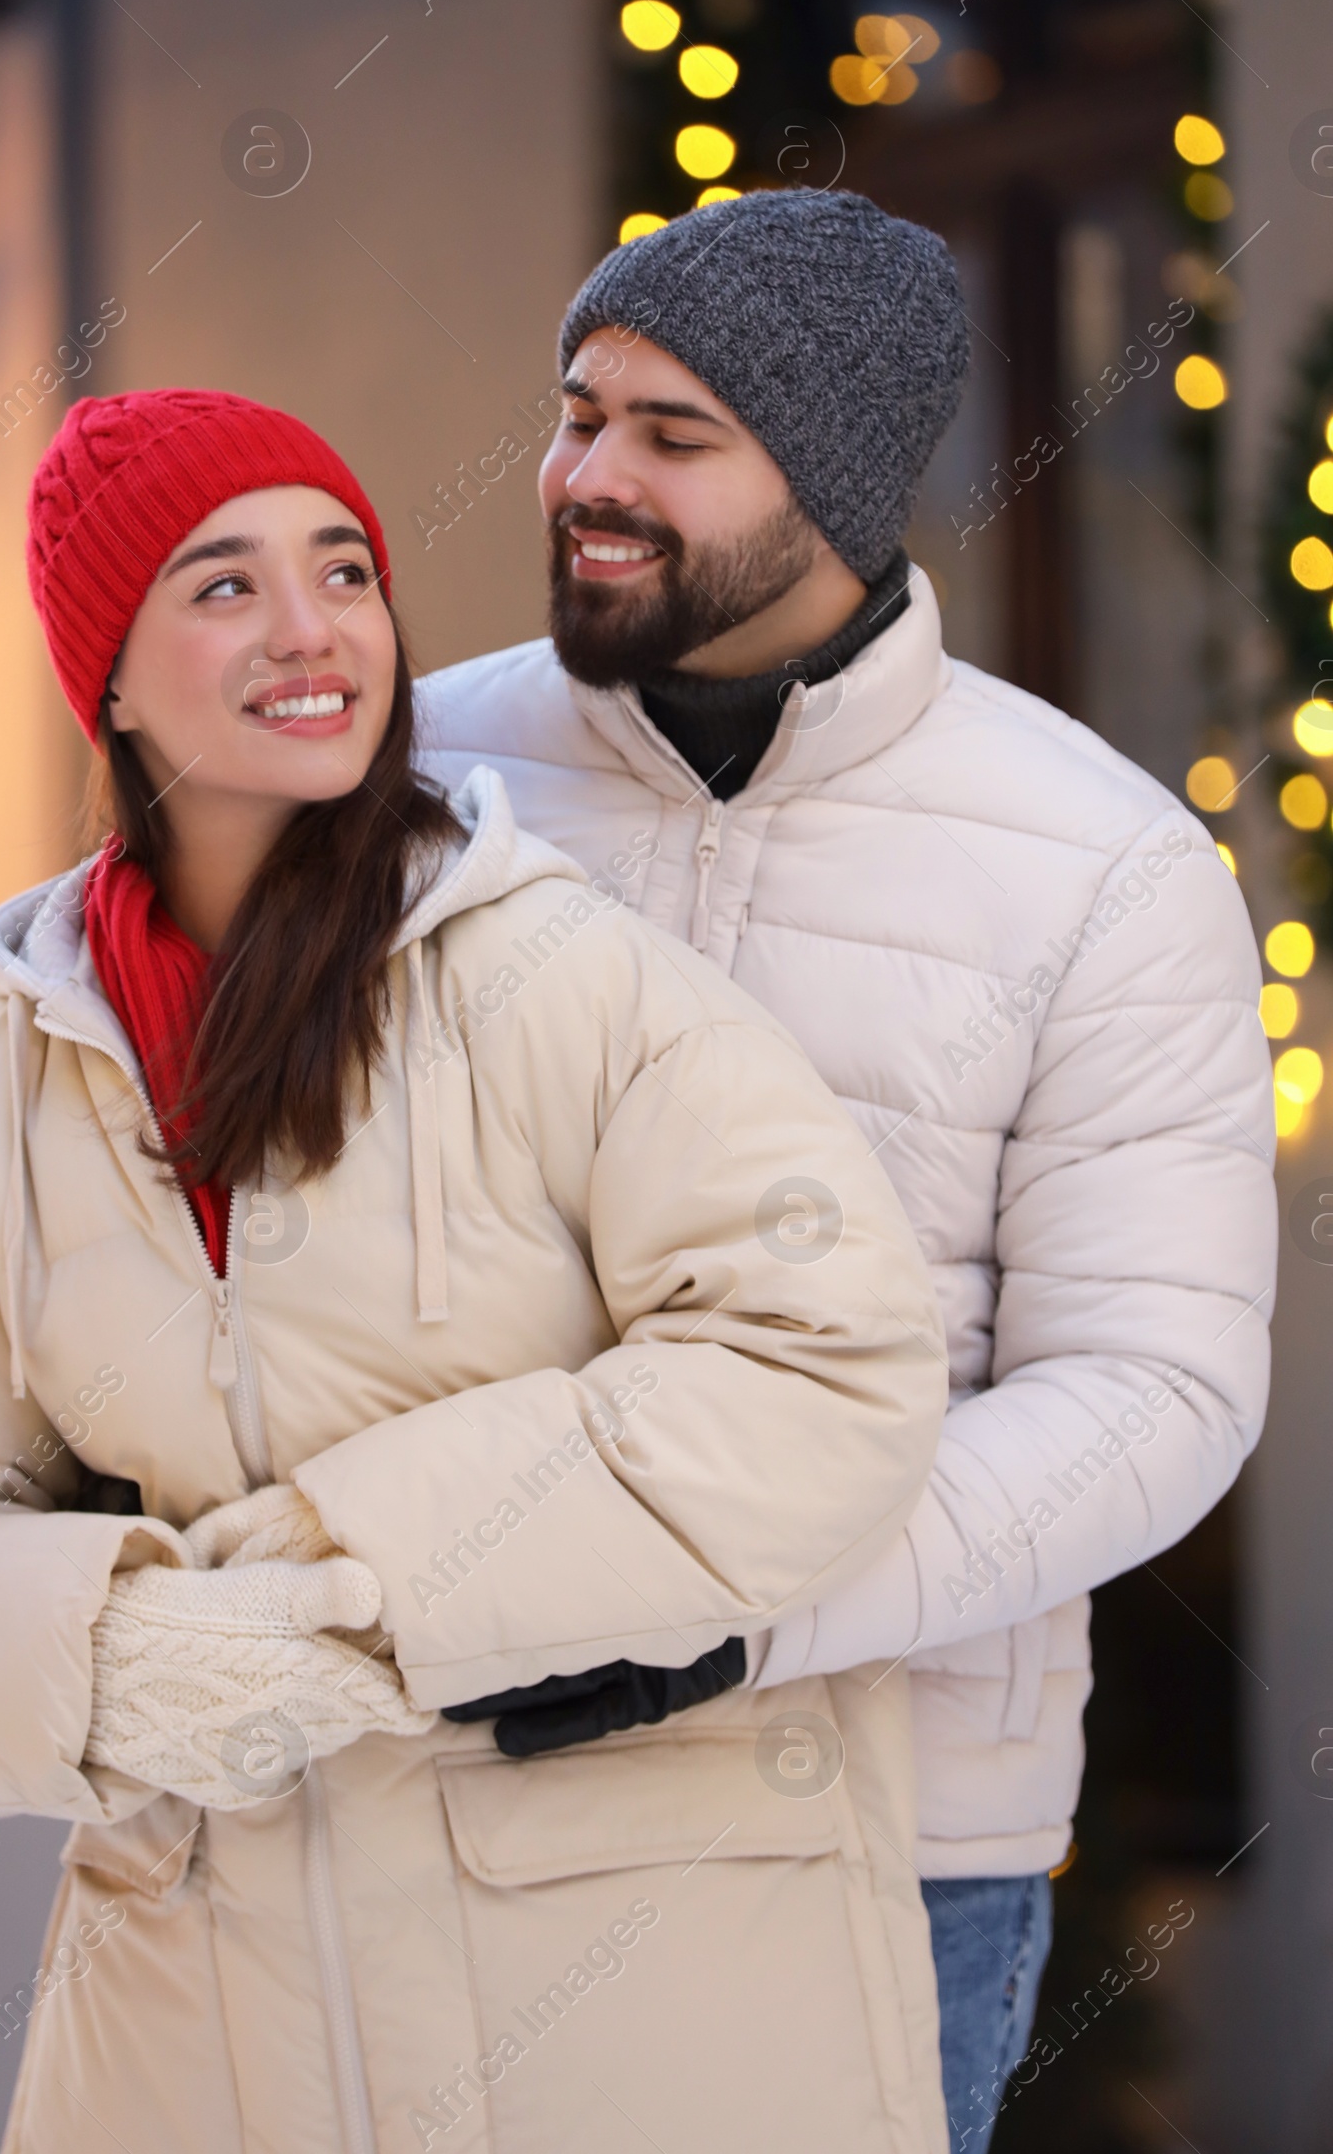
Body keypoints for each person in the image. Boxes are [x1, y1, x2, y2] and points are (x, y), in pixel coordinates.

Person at [0, 391, 953, 2154]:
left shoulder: (559, 978)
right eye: (223, 586)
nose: (313, 628)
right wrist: (118, 1658)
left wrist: (373, 1563)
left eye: (343, 569)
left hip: (642, 2011)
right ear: (104, 673)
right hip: (195, 2029)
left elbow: (825, 1363)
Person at [417, 189, 1278, 2153]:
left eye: (669, 435)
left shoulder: (1095, 867)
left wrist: (727, 1617)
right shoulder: (411, 785)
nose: (583, 478)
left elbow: (1145, 1388)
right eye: (576, 411)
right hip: (426, 1793)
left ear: (829, 477)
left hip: (873, 1840)